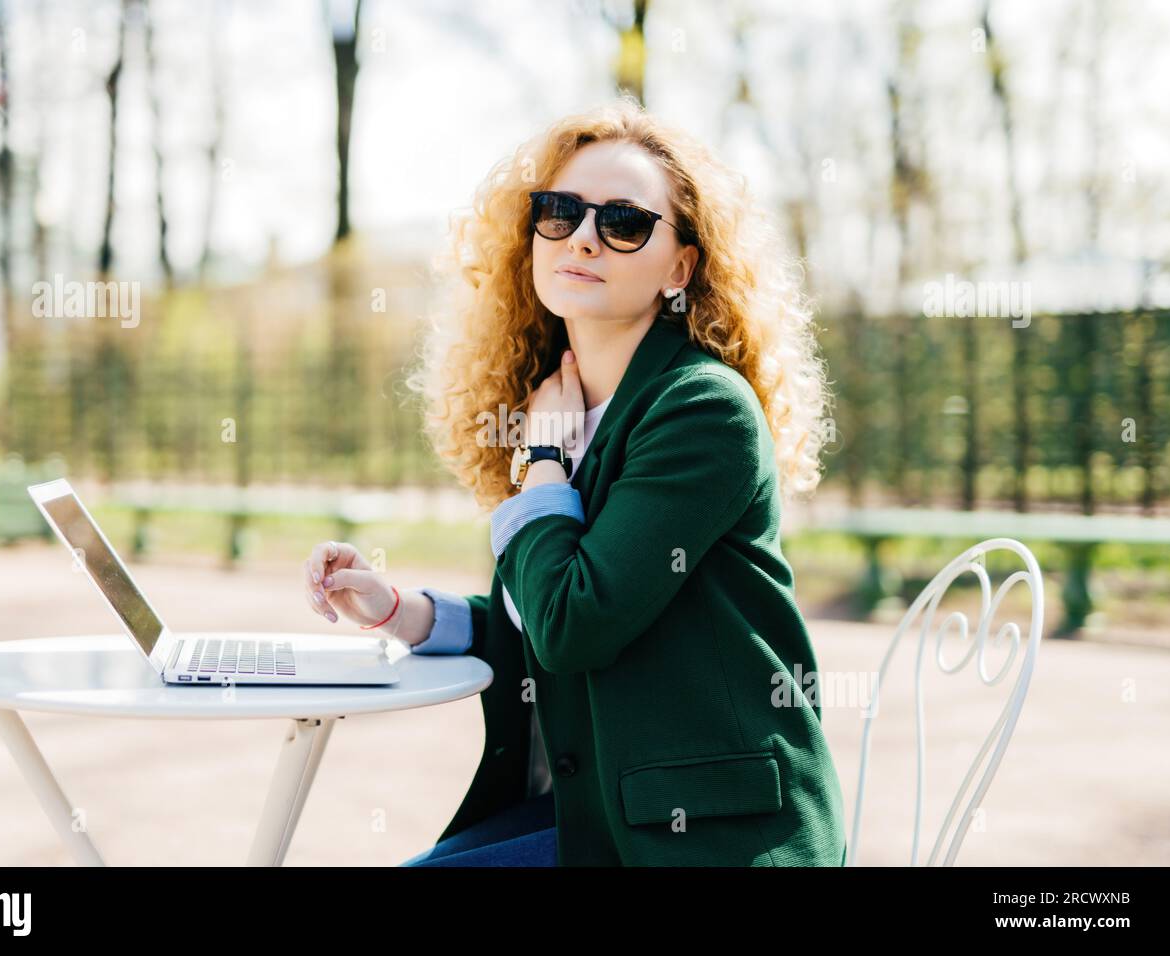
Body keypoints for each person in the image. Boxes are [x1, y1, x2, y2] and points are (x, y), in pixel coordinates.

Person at [303, 95, 845, 867]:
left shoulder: (700, 408)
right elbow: (540, 608)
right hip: (603, 816)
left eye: (624, 223)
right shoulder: (568, 406)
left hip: (712, 839)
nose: (584, 238)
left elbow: (573, 625)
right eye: (559, 212)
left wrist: (547, 462)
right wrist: (402, 610)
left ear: (680, 267)